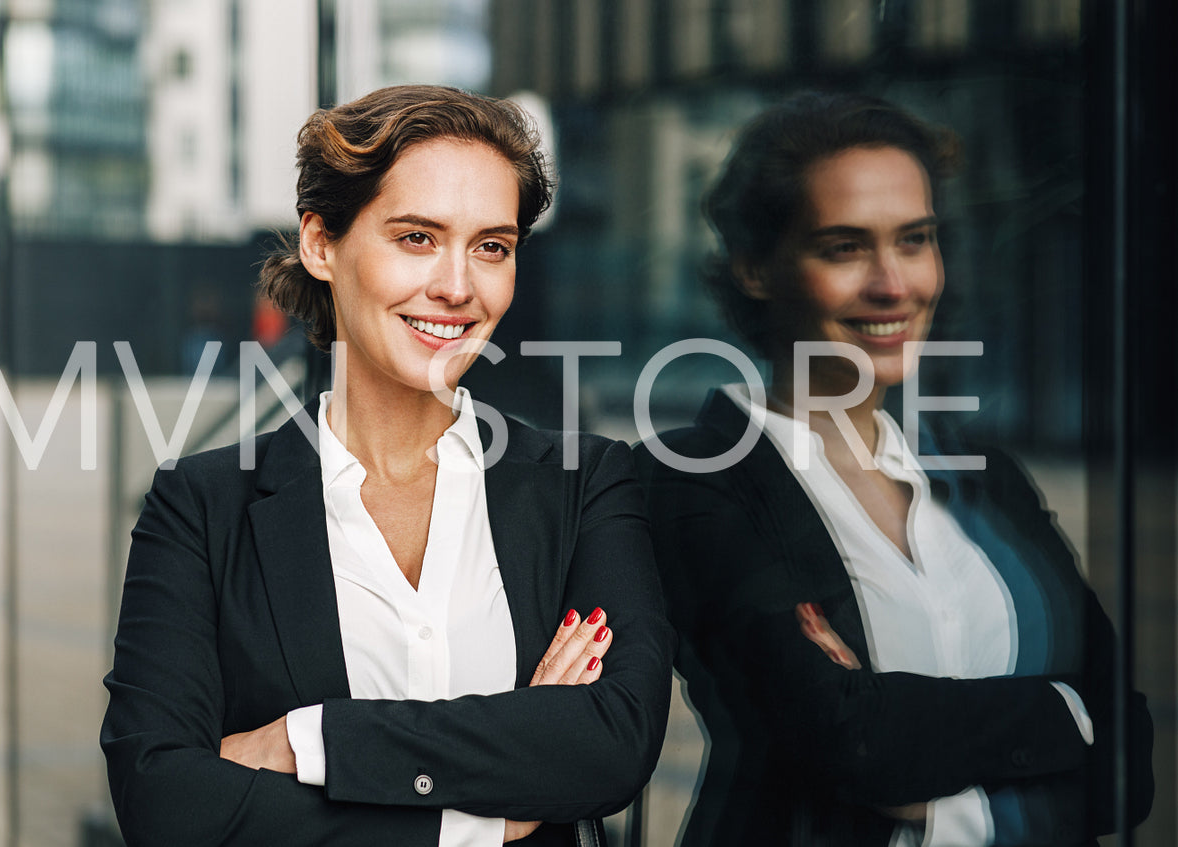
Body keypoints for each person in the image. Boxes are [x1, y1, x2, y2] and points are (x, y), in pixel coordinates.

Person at [102, 85, 672, 847]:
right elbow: (164, 804)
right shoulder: (201, 507)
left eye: (491, 246)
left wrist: (310, 741)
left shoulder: (585, 485)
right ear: (320, 243)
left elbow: (610, 742)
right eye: (416, 237)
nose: (457, 285)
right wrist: (482, 811)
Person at [635, 92, 1152, 846]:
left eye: (914, 240)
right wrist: (1062, 711)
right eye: (844, 247)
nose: (893, 284)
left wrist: (935, 784)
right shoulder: (696, 477)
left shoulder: (983, 477)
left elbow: (1128, 761)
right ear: (754, 267)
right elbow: (851, 743)